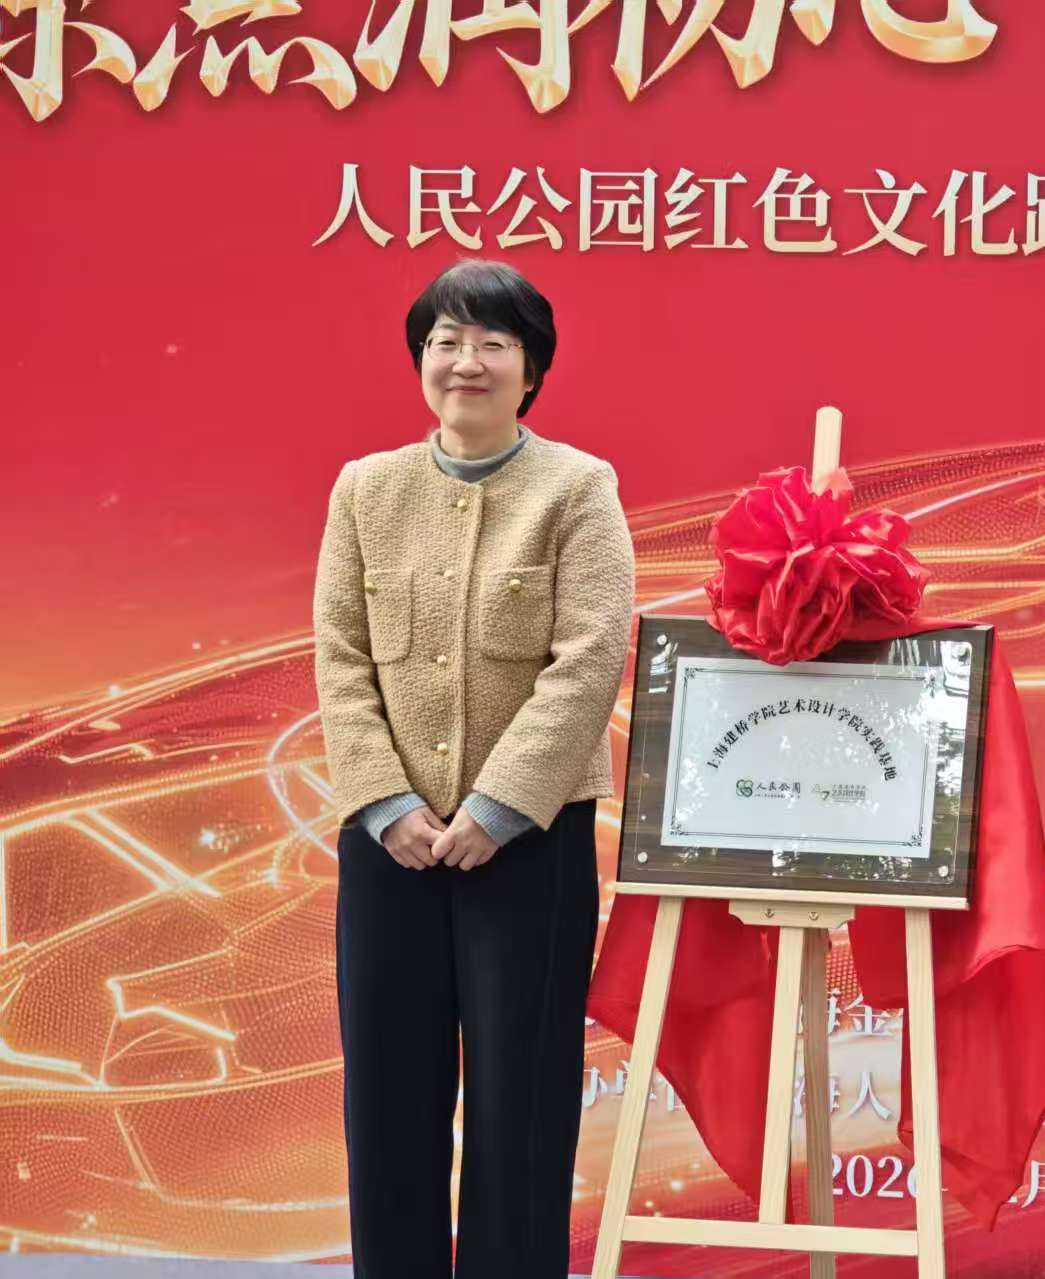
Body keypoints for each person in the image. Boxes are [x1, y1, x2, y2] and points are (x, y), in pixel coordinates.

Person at [313, 259, 635, 1278]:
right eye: (445, 341)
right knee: (388, 1100)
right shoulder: (366, 490)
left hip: (529, 845)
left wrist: (499, 806)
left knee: (520, 1103)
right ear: (420, 360)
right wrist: (383, 799)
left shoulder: (577, 489)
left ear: (531, 369)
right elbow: (341, 655)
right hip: (389, 846)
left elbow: (590, 657)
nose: (466, 362)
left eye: (493, 343)